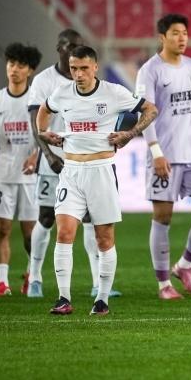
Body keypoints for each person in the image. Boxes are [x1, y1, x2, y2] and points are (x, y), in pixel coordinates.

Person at [36, 46, 156, 316]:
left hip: (101, 170)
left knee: (104, 237)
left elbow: (151, 110)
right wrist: (44, 132)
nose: (78, 74)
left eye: (83, 68)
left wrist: (130, 133)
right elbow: (44, 110)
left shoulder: (113, 93)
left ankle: (101, 300)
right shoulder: (62, 93)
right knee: (64, 232)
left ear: (95, 67)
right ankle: (63, 298)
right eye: (73, 68)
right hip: (71, 171)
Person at [135, 14, 191, 300]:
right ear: (162, 37)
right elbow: (145, 114)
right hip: (165, 155)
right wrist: (156, 152)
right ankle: (163, 285)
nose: (182, 38)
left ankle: (184, 265)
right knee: (163, 217)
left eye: (184, 32)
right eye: (175, 33)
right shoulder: (150, 71)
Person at [26, 29, 117, 299]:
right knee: (46, 217)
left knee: (90, 220)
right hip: (52, 161)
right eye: (69, 47)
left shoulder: (94, 84)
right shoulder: (44, 81)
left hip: (83, 163)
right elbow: (36, 121)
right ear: (60, 48)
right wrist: (49, 156)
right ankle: (34, 277)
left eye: (79, 47)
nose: (73, 51)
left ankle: (96, 282)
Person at [0, 43, 42, 297]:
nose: (14, 69)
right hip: (4, 175)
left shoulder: (37, 101)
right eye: (11, 64)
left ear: (30, 70)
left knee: (30, 234)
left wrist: (37, 154)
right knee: (2, 228)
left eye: (20, 65)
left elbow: (49, 133)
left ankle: (31, 274)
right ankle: (2, 283)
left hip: (30, 177)